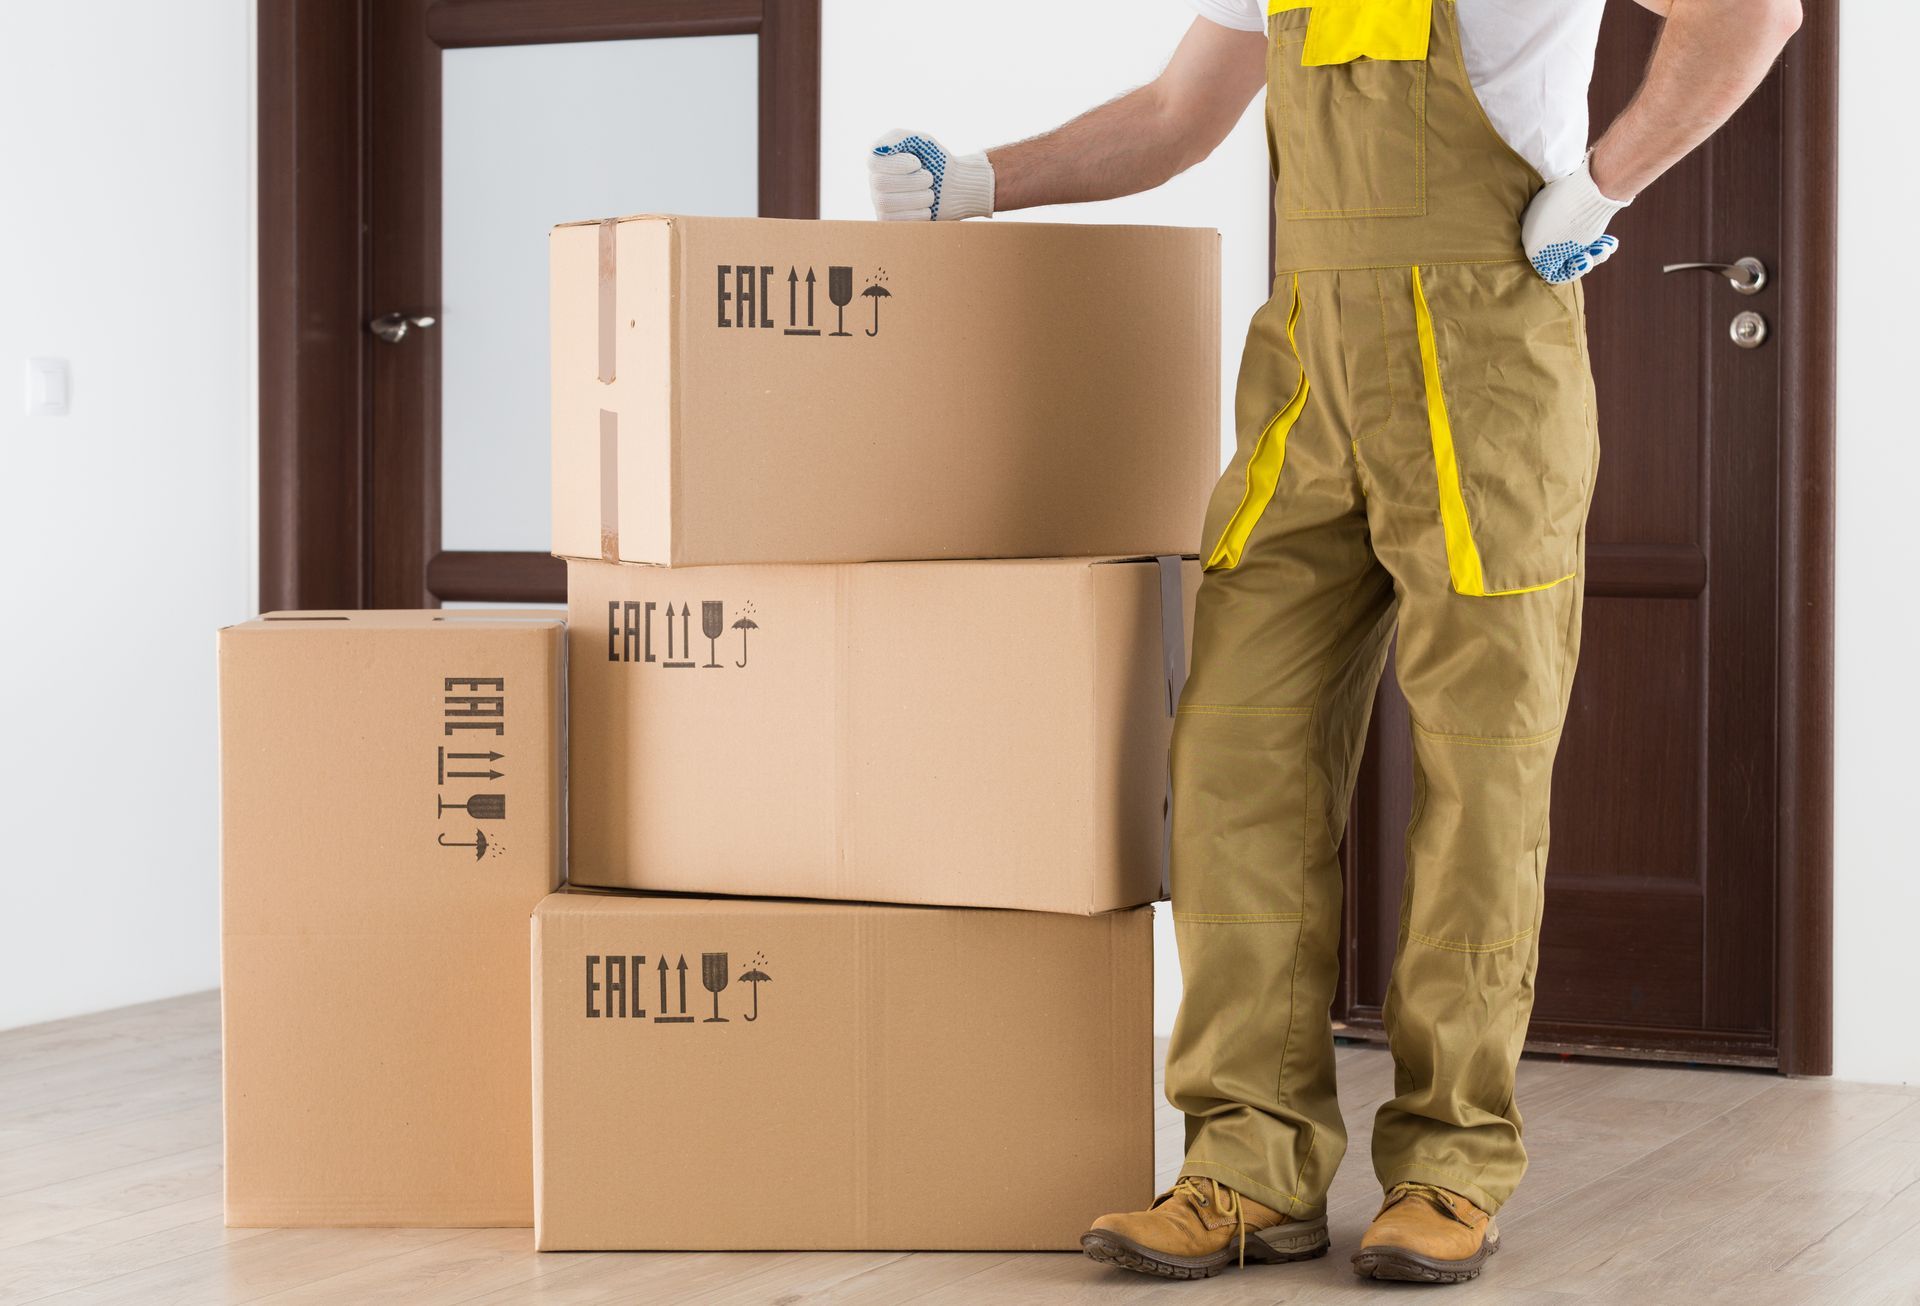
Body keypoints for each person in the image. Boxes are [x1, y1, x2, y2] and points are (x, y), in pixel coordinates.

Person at [869, 0, 1801, 1285]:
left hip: (1488, 373)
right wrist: (978, 182)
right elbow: (1171, 117)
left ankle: (1449, 1166)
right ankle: (1246, 1165)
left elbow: (1751, 11)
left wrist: (1598, 184)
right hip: (1306, 386)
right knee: (1232, 759)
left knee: (1482, 778)